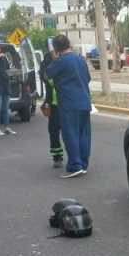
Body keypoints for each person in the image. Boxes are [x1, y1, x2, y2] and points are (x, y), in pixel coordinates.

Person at [45, 35, 91, 179]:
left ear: (57, 48)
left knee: (70, 134)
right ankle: (83, 164)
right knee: (84, 134)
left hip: (69, 103)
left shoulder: (61, 61)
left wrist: (54, 58)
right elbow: (88, 78)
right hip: (84, 101)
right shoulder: (80, 60)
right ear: (68, 44)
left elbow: (47, 75)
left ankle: (74, 166)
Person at [39, 43, 64, 169]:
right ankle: (57, 156)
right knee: (54, 132)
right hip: (54, 105)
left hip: (66, 104)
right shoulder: (47, 62)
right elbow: (44, 76)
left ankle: (74, 157)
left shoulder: (65, 60)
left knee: (68, 132)